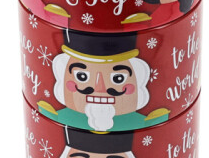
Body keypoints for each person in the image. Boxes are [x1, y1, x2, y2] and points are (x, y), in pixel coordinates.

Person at [37, 31, 170, 131]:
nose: (99, 88)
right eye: (82, 76)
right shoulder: (56, 115)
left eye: (118, 78)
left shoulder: (145, 122)